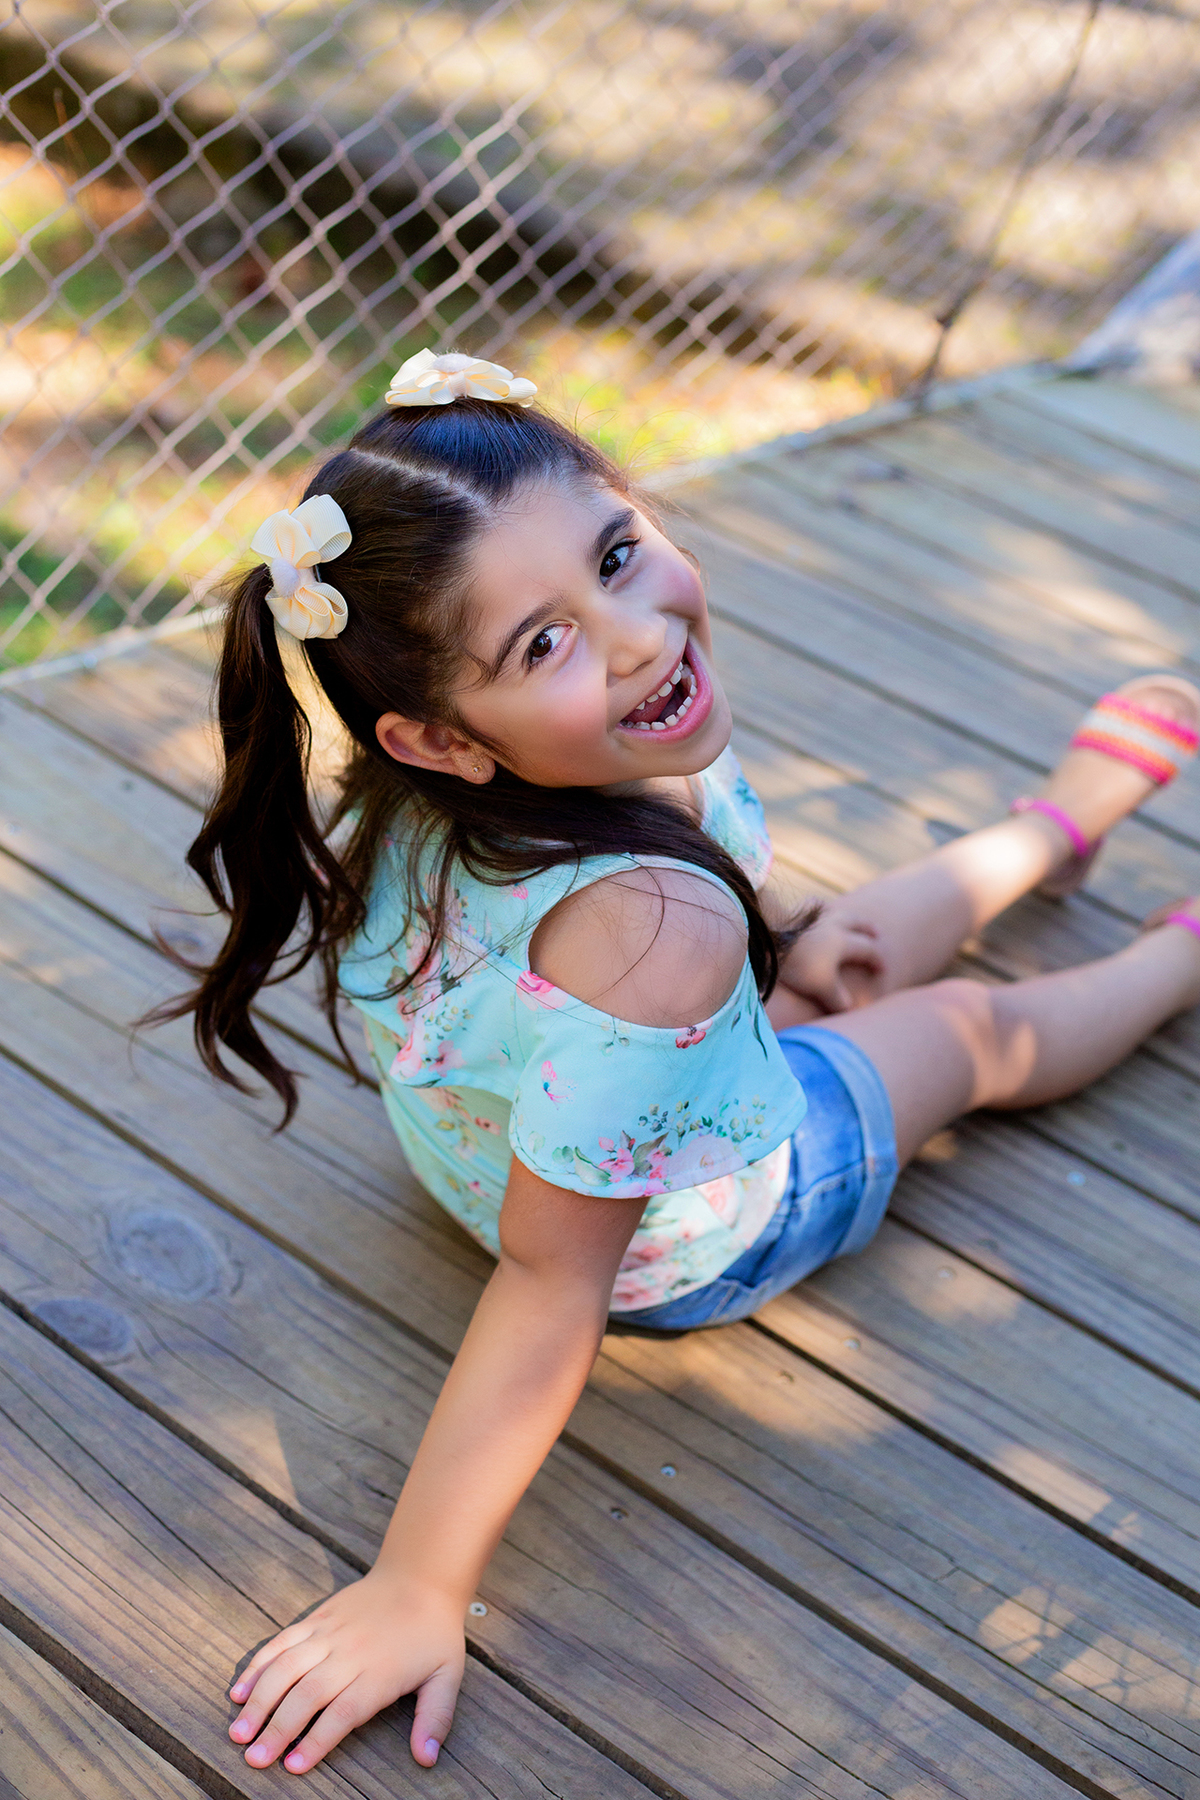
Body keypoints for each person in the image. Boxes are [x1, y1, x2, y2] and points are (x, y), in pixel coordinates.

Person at [167, 349, 1200, 1776]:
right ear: (444, 734)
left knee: (848, 937)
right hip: (694, 1227)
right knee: (966, 1031)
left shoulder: (495, 777)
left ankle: (1057, 828)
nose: (639, 634)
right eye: (546, 642)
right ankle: (1174, 955)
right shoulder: (653, 928)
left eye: (615, 551)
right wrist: (417, 1586)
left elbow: (687, 907)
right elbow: (552, 1279)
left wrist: (776, 933)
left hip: (517, 1130)